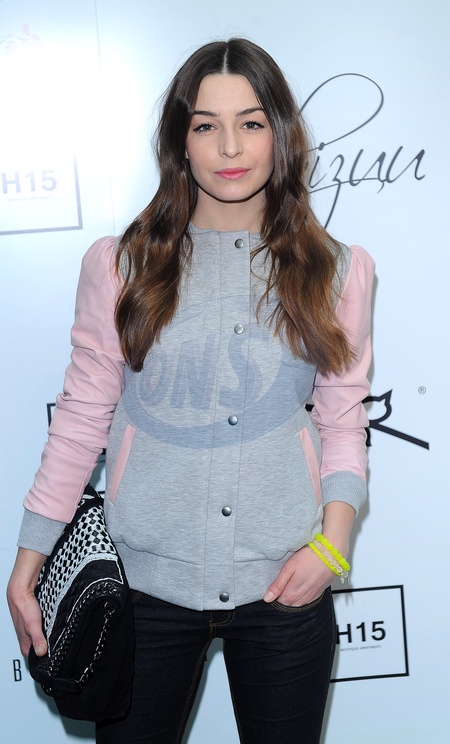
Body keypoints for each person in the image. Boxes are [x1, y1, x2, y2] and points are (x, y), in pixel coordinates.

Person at [7, 38, 375, 744]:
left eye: (251, 122)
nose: (230, 147)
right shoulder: (122, 265)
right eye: (207, 125)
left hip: (285, 585)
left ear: (280, 133)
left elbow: (341, 420)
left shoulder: (334, 270)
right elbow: (81, 419)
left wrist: (331, 549)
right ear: (180, 139)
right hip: (145, 589)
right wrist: (29, 560)